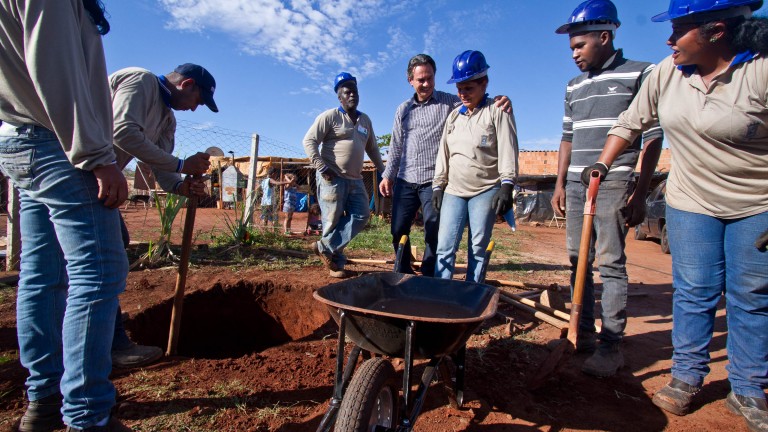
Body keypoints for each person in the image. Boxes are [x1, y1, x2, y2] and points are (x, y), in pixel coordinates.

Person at [589, 0, 768, 428]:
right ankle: (687, 376)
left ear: (716, 30)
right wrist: (602, 164)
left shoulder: (760, 71)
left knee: (751, 294)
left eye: (679, 30)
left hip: (756, 203)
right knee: (694, 289)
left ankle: (747, 387)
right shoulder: (667, 73)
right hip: (691, 200)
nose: (669, 40)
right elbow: (629, 122)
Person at [0, 1, 131, 431]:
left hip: (18, 138)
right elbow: (54, 67)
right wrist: (96, 155)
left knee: (42, 273)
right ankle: (88, 414)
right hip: (58, 145)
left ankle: (44, 398)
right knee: (99, 271)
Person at [550, 0, 664, 378]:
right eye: (571, 48)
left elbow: (652, 136)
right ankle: (581, 333)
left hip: (615, 180)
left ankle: (611, 344)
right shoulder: (573, 86)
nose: (574, 54)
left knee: (611, 261)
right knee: (577, 260)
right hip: (576, 182)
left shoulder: (641, 73)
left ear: (604, 36)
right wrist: (559, 184)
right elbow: (567, 138)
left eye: (579, 46)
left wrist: (641, 191)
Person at [109, 63, 217, 368]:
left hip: (97, 180)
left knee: (112, 247)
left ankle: (102, 326)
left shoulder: (167, 120)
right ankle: (108, 341)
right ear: (187, 84)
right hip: (80, 172)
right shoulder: (141, 81)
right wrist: (182, 165)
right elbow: (122, 132)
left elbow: (163, 168)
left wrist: (183, 185)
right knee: (104, 261)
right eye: (198, 101)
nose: (194, 109)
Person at [379, 54, 511, 277]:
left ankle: (430, 275)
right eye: (421, 80)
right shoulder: (403, 109)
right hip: (406, 179)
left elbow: (476, 100)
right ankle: (403, 272)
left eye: (430, 78)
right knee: (398, 228)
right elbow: (396, 146)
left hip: (433, 181)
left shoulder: (449, 102)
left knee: (434, 230)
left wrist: (501, 100)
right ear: (410, 80)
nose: (426, 84)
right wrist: (387, 175)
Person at [432, 50, 519, 283]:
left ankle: (472, 291)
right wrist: (438, 186)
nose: (463, 93)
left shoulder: (497, 111)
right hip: (454, 190)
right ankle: (440, 292)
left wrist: (507, 185)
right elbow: (444, 153)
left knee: (478, 247)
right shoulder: (453, 117)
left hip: (485, 189)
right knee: (444, 246)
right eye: (459, 88)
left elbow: (508, 148)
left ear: (484, 83)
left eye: (468, 88)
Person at [303, 72, 385, 278]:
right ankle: (335, 265)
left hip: (355, 179)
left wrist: (384, 172)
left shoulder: (365, 120)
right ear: (339, 97)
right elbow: (309, 141)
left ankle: (325, 247)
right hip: (332, 178)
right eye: (347, 92)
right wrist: (322, 167)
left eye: (355, 91)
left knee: (362, 215)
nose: (352, 95)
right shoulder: (330, 116)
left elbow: (373, 149)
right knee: (332, 221)